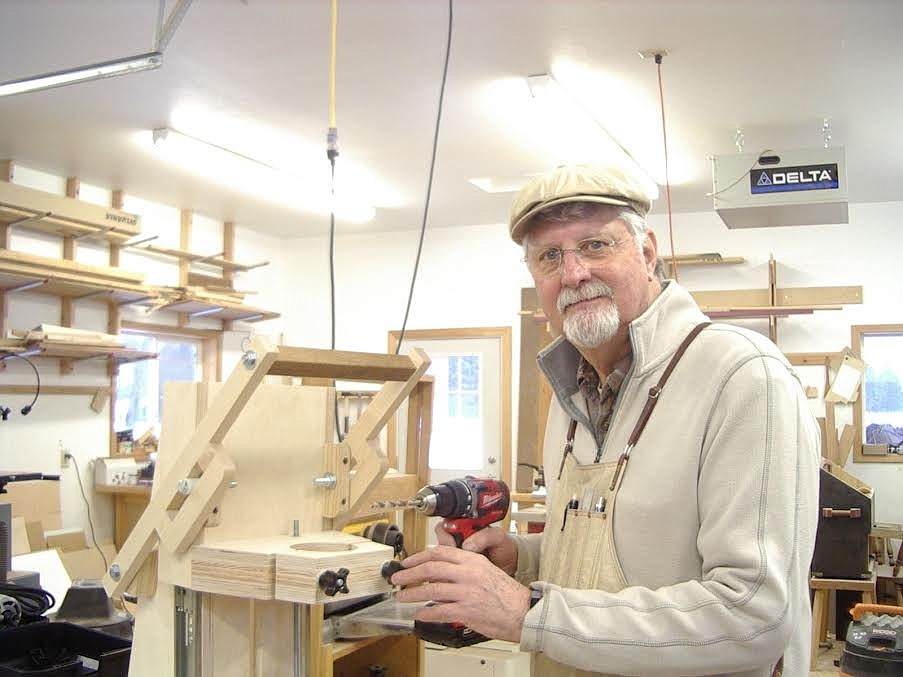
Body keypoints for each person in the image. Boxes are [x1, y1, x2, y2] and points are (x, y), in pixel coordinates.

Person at [392, 162, 820, 676]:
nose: (573, 274)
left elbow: (752, 613)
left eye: (595, 245)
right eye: (550, 256)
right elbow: (616, 552)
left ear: (646, 251)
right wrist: (521, 560)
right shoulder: (571, 390)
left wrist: (529, 612)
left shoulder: (744, 378)